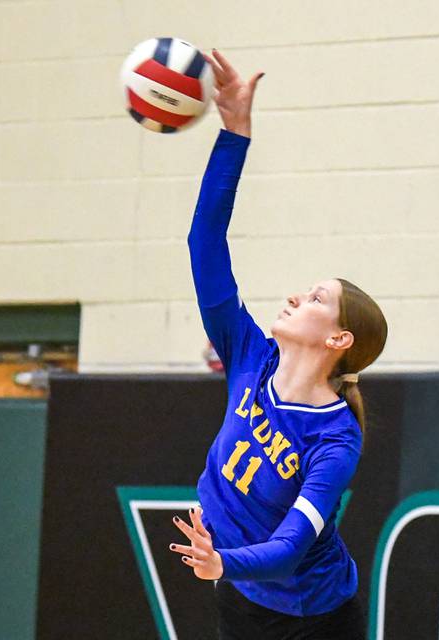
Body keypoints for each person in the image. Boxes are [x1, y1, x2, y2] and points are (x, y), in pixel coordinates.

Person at [169, 49, 388, 640]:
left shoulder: (335, 439)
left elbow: (291, 547)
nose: (297, 298)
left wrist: (223, 562)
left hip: (313, 619)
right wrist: (235, 131)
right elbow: (203, 242)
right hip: (240, 600)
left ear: (339, 339)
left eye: (316, 299)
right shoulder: (249, 356)